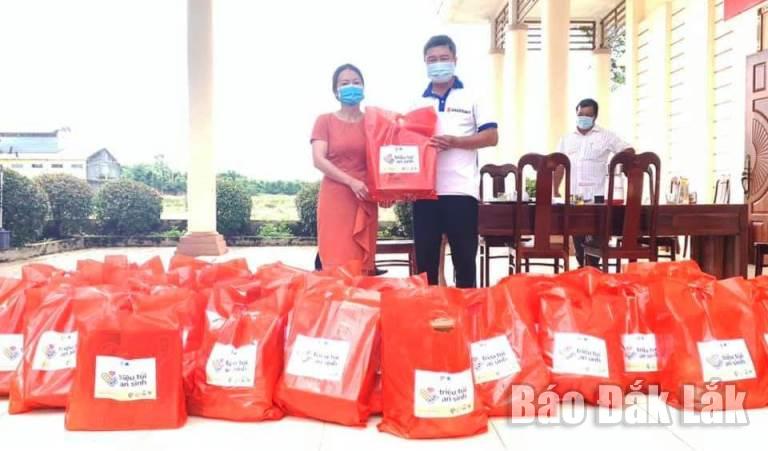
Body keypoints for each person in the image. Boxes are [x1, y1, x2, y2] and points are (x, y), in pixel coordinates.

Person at [412, 35, 498, 287]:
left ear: (455, 60)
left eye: (443, 58)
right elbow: (407, 145)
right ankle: (428, 310)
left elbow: (491, 136)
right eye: (432, 60)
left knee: (464, 263)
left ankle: (467, 311)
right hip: (424, 193)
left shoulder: (473, 96)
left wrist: (455, 142)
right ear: (425, 63)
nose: (438, 64)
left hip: (461, 191)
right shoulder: (417, 102)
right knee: (425, 267)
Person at [311, 64, 382, 275]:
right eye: (345, 83)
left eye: (356, 82)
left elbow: (384, 160)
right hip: (336, 198)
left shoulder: (374, 122)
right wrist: (350, 181)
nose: (351, 86)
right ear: (336, 91)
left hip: (365, 196)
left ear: (363, 87)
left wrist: (388, 192)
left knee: (362, 264)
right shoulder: (324, 120)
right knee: (336, 260)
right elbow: (318, 159)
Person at [554, 98, 633, 267]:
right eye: (580, 114)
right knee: (578, 238)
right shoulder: (566, 139)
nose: (583, 118)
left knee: (597, 239)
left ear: (595, 117)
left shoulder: (605, 136)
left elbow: (628, 150)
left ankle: (593, 269)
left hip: (598, 197)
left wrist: (621, 167)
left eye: (587, 115)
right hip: (575, 197)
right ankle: (583, 268)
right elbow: (559, 165)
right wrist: (555, 189)